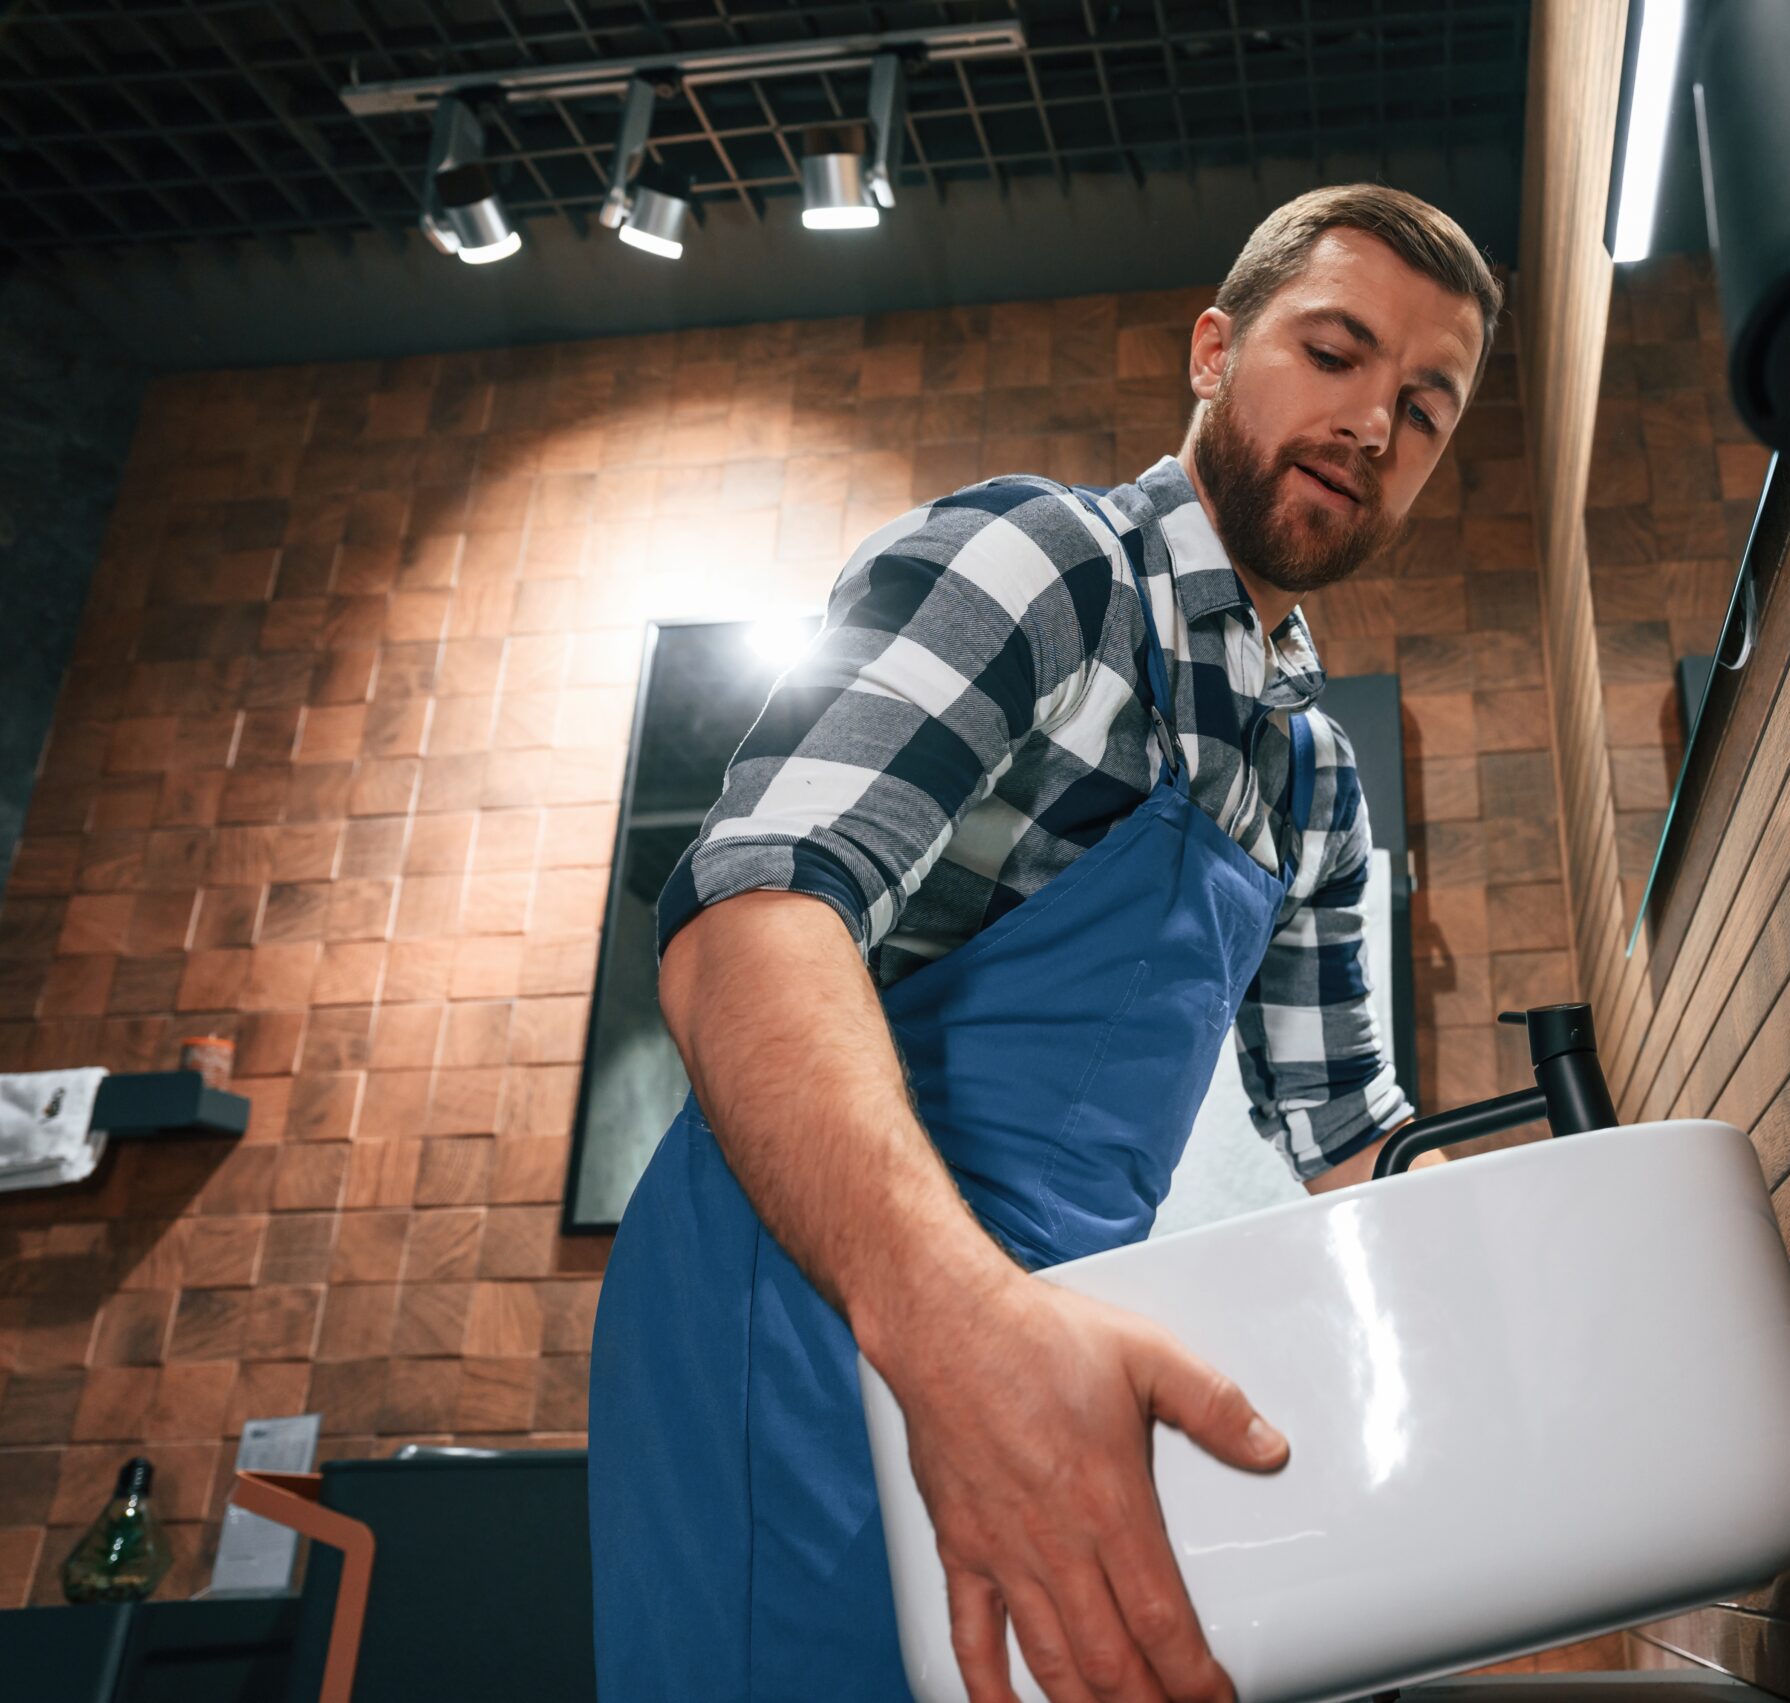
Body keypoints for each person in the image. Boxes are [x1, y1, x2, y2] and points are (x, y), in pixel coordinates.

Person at [588, 183, 1502, 1703]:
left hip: (1061, 1316)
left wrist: (1528, 1283)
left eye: (1424, 406)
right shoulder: (1050, 567)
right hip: (814, 1282)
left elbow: (1349, 1128)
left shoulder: (1311, 776)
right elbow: (752, 912)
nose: (1369, 424)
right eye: (1334, 355)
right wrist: (957, 1328)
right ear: (1214, 350)